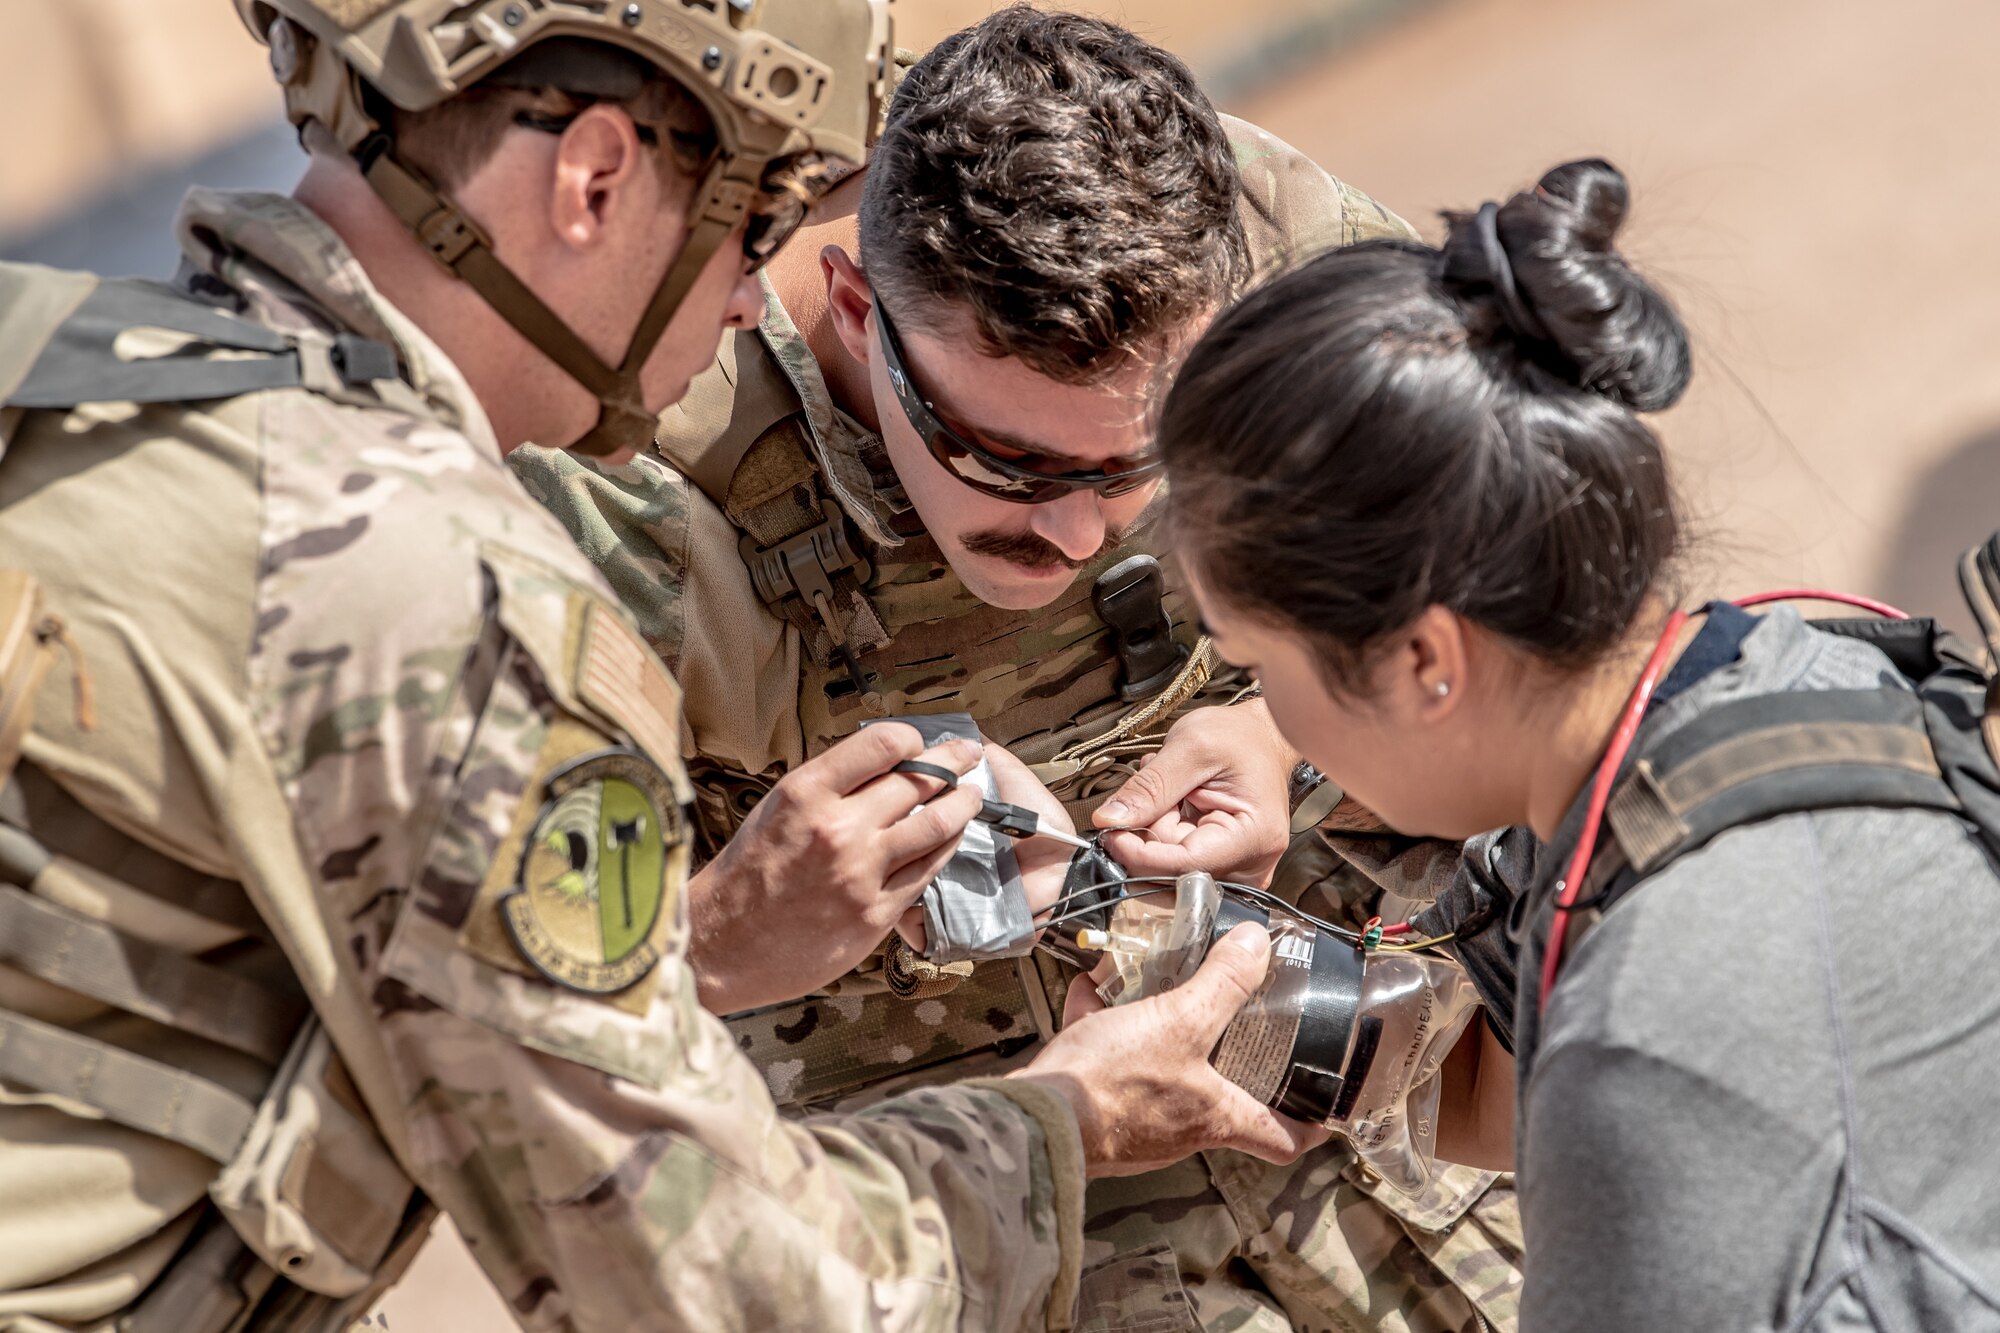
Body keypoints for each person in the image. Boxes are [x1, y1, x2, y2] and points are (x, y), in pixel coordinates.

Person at [0, 2, 1321, 1328]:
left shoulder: (65, 388)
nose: (761, 293)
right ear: (595, 179)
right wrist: (1069, 1116)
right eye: (752, 221)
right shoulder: (438, 594)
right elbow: (733, 1291)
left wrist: (698, 951)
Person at [511, 9, 1525, 1330]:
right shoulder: (626, 496)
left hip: (1356, 1051)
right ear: (865, 315)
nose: (1078, 530)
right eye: (1012, 462)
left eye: (1137, 463)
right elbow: (474, 1009)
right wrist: (725, 936)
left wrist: (1288, 730)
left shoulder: (1287, 254)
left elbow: (1522, 563)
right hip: (980, 1190)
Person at [1155, 156, 2000, 1329]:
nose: (1262, 720)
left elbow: (1627, 1078)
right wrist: (1158, 955)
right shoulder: (1795, 677)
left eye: (1253, 665)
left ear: (1422, 661)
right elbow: (1513, 1087)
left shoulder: (1655, 1021)